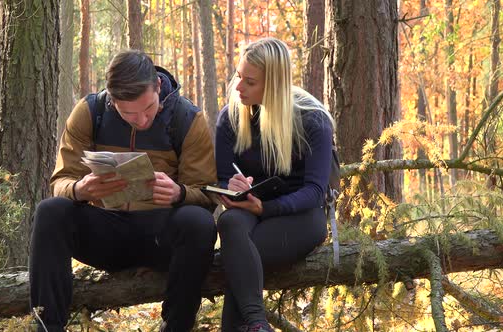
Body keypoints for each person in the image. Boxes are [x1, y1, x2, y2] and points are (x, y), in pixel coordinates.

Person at [29, 50, 218, 332]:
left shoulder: (187, 118)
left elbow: (207, 194)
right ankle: (48, 325)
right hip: (108, 233)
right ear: (111, 99)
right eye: (128, 113)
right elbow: (60, 182)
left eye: (149, 108)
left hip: (161, 237)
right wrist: (80, 189)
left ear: (158, 86)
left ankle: (177, 326)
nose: (141, 120)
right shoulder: (90, 112)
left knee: (199, 223)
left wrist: (179, 193)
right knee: (50, 211)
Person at [215, 37, 335, 331]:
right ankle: (258, 324)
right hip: (247, 210)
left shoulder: (312, 119)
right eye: (238, 76)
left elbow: (315, 192)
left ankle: (254, 325)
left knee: (239, 257)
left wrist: (265, 209)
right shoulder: (231, 117)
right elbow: (220, 178)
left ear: (275, 85)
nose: (238, 87)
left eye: (250, 82)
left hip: (300, 215)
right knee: (230, 224)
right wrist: (230, 186)